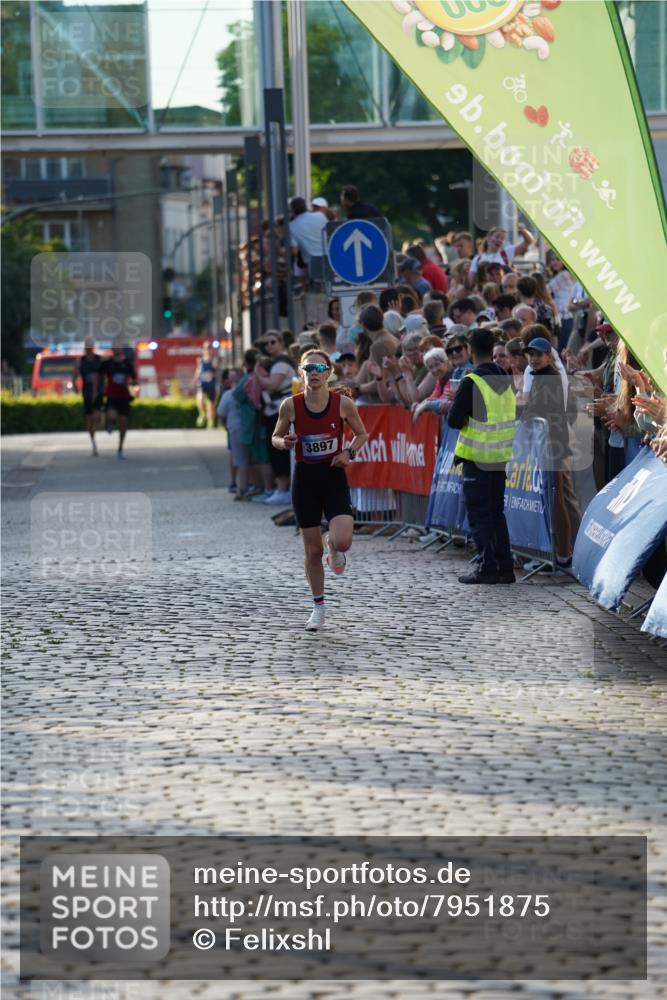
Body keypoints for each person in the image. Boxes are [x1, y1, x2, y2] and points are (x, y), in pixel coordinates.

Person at [272, 350, 368, 631]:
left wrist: (348, 452)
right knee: (312, 552)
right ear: (301, 372)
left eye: (319, 367)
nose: (313, 372)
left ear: (328, 372)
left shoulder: (343, 404)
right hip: (305, 481)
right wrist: (284, 443)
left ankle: (333, 546)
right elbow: (275, 436)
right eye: (308, 368)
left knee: (344, 541)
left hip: (333, 477)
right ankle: (318, 607)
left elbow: (361, 434)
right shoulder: (290, 406)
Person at [447, 327, 517, 584]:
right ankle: (505, 567)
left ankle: (487, 567)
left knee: (479, 514)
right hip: (499, 457)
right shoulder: (505, 379)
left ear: (470, 350)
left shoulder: (472, 381)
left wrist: (460, 408)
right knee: (496, 512)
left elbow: (454, 419)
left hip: (477, 457)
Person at [518, 333, 581, 569]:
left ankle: (562, 554)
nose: (533, 359)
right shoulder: (540, 376)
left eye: (538, 354)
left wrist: (522, 414)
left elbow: (539, 410)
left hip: (553, 447)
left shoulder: (550, 378)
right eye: (530, 355)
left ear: (548, 356)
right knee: (551, 498)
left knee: (557, 499)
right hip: (546, 444)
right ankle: (552, 552)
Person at [252, 331, 297, 504]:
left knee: (279, 450)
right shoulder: (275, 362)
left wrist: (258, 374)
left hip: (279, 410)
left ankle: (283, 490)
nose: (269, 346)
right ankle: (281, 489)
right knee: (275, 450)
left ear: (281, 343)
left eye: (272, 342)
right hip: (274, 410)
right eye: (266, 344)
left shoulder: (281, 362)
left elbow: (272, 385)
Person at [100, 338, 138, 460]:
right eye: (115, 346)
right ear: (112, 349)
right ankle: (109, 423)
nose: (117, 349)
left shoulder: (127, 364)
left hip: (124, 397)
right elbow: (100, 377)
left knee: (123, 424)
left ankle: (120, 448)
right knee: (111, 415)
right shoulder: (108, 363)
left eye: (119, 346)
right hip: (111, 395)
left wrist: (134, 389)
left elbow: (134, 380)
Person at [217, 368, 245, 493]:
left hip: (234, 428)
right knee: (252, 459)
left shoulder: (228, 394)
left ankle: (241, 486)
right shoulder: (248, 390)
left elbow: (220, 412)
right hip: (249, 426)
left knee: (239, 458)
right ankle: (251, 484)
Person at [76, 336, 104, 456]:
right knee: (89, 419)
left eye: (90, 346)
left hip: (99, 392)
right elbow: (75, 375)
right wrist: (74, 387)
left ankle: (102, 421)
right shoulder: (80, 361)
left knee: (97, 417)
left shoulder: (100, 360)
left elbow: (106, 376)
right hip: (87, 393)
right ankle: (93, 442)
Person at [470, 224, 534, 275]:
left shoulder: (506, 253)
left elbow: (528, 241)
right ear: (488, 238)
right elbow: (471, 281)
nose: (499, 240)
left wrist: (522, 230)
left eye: (502, 238)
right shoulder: (477, 259)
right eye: (497, 237)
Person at [193, 343, 219, 429]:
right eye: (206, 348)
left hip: (211, 385)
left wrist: (212, 373)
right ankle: (202, 414)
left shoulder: (214, 360)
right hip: (202, 384)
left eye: (209, 348)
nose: (207, 350)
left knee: (211, 405)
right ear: (203, 350)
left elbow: (216, 372)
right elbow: (198, 371)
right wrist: (195, 379)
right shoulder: (200, 361)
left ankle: (210, 422)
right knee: (200, 398)